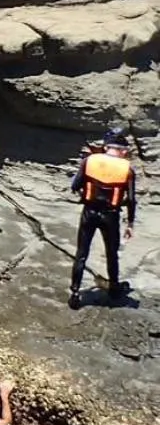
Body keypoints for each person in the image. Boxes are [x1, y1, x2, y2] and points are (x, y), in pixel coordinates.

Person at [68, 127, 137, 308]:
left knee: (81, 254)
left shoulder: (89, 161)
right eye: (125, 151)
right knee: (111, 254)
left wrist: (85, 190)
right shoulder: (127, 170)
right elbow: (131, 199)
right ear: (121, 150)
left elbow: (75, 185)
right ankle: (114, 289)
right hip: (111, 216)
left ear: (107, 147)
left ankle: (75, 294)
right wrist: (130, 223)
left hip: (89, 212)